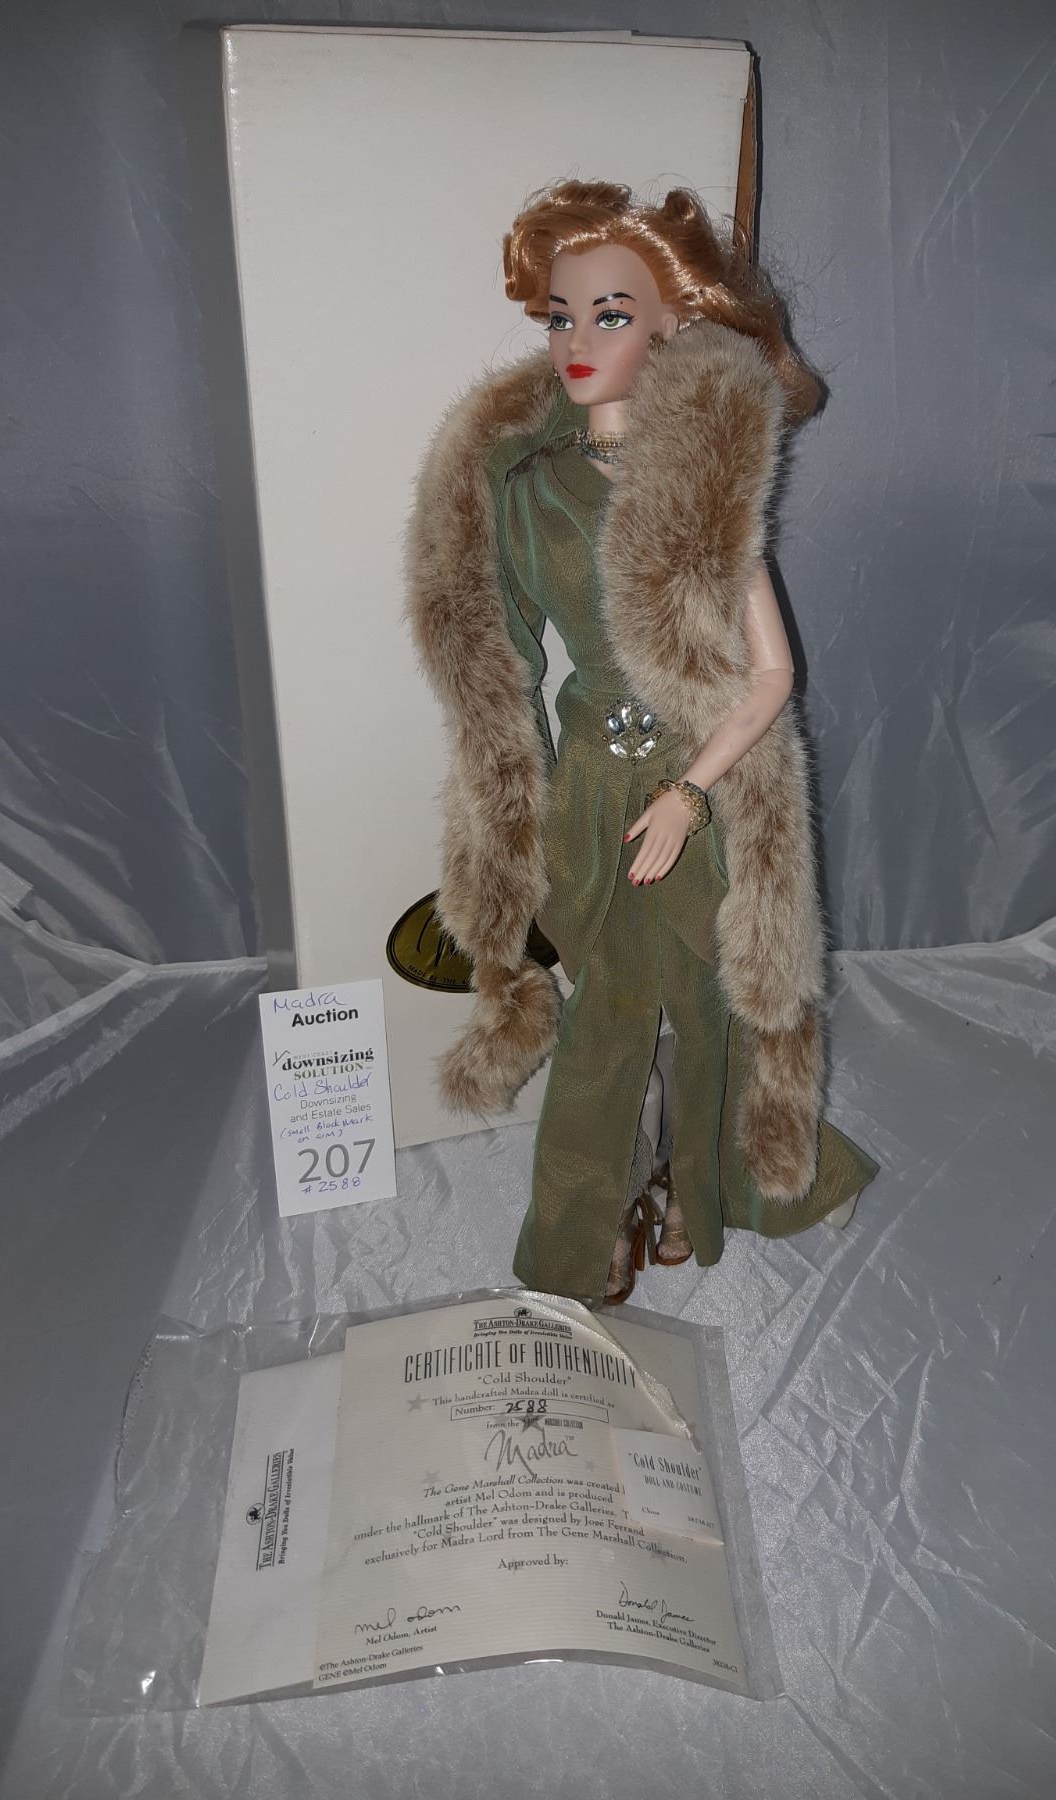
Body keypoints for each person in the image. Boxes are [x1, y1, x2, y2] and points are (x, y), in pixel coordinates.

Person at [406, 180, 878, 1305]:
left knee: (715, 999)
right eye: (559, 317)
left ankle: (706, 1189)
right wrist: (507, 817)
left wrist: (692, 795)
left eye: (610, 314)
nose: (577, 341)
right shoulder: (525, 491)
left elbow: (773, 675)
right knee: (608, 1016)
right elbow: (500, 662)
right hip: (590, 792)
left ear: (671, 324)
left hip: (704, 788)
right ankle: (583, 1231)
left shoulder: (705, 486)